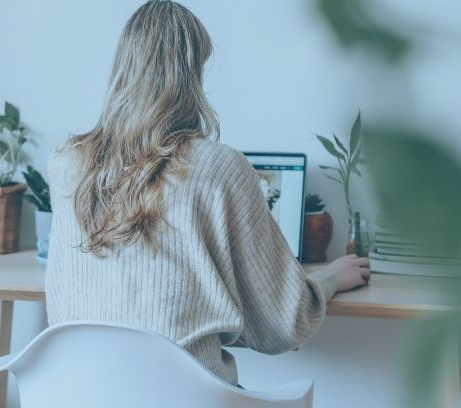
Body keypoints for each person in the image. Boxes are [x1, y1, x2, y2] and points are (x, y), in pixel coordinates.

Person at [44, 0, 370, 386]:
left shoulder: (66, 166)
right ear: (192, 74)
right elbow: (283, 324)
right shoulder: (219, 167)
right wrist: (329, 279)